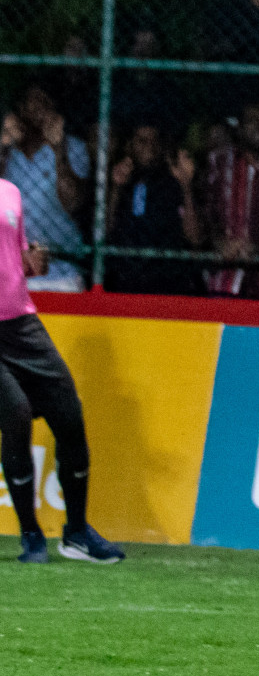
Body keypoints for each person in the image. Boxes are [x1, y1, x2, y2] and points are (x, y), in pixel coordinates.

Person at [0, 177, 125, 564]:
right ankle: (31, 535)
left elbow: (16, 259)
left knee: (69, 413)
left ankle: (76, 534)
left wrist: (32, 264)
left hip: (21, 323)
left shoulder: (10, 191)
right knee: (16, 414)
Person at [200, 102, 259, 299]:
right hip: (224, 283)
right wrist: (220, 244)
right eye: (252, 121)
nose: (258, 126)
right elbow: (205, 214)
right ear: (240, 127)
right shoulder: (218, 162)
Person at [1, 83, 90, 291]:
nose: (37, 109)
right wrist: (4, 147)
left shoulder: (74, 147)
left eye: (44, 102)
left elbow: (73, 202)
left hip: (61, 270)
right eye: (31, 102)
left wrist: (59, 149)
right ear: (19, 110)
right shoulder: (7, 152)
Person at [105, 123, 202, 295]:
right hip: (126, 279)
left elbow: (195, 238)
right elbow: (105, 231)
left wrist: (186, 185)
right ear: (130, 145)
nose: (150, 146)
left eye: (154, 141)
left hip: (167, 281)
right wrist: (116, 188)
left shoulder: (174, 180)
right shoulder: (121, 178)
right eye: (142, 141)